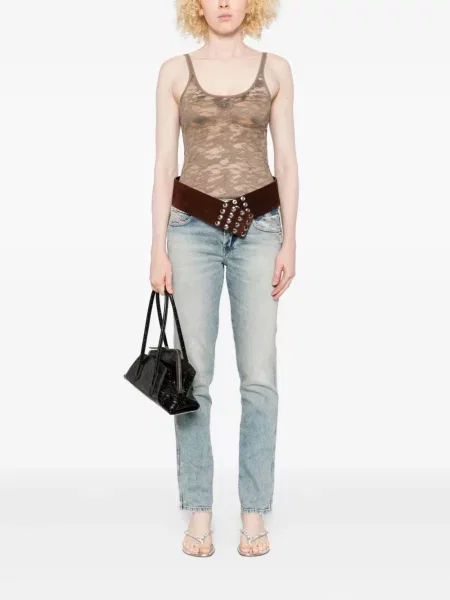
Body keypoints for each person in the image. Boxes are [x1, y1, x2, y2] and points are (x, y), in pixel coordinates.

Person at [149, 0, 298, 557]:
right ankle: (200, 509)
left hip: (260, 229)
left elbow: (287, 160)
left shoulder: (275, 68)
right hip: (190, 231)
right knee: (193, 378)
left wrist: (290, 240)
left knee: (259, 377)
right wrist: (157, 246)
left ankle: (254, 511)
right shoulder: (174, 71)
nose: (225, 3)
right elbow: (165, 164)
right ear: (197, 6)